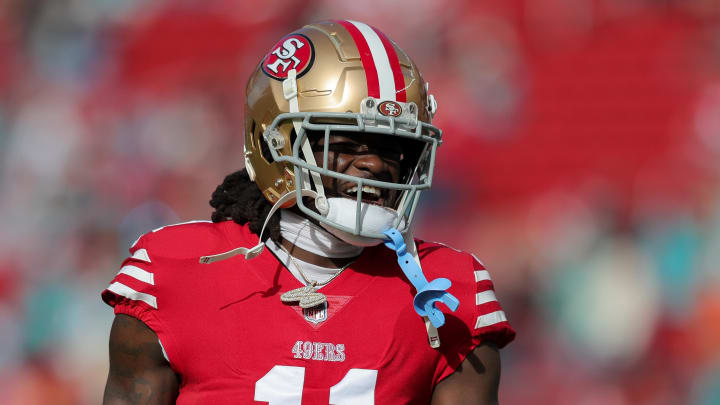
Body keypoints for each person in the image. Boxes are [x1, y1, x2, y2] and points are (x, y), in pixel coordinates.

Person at [101, 20, 515, 404]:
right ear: (274, 144)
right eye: (348, 142)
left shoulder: (449, 289)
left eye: (393, 147)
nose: (374, 164)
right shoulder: (174, 269)